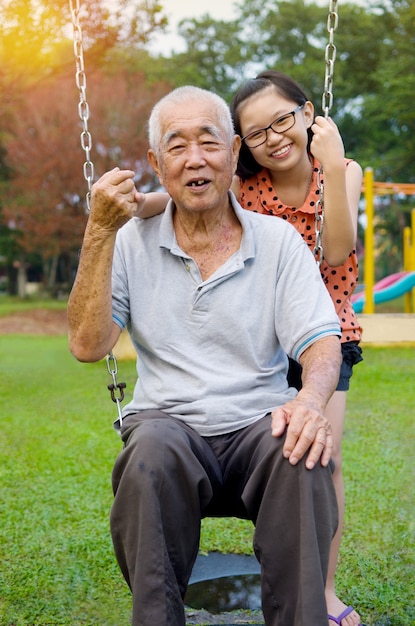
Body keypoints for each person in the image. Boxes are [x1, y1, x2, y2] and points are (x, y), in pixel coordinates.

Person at [68, 85, 343, 626]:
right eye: (176, 146)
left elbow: (320, 340)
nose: (195, 159)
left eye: (209, 142)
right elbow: (86, 345)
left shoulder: (279, 240)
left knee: (302, 451)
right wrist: (100, 230)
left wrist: (310, 399)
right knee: (149, 451)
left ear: (235, 152)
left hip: (257, 426)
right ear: (155, 163)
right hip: (168, 425)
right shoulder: (128, 240)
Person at [229, 70, 363, 626]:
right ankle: (279, 574)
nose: (274, 137)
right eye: (256, 133)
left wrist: (332, 166)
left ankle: (323, 590)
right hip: (259, 340)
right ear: (245, 144)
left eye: (282, 119)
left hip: (327, 338)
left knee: (323, 462)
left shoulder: (342, 170)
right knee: (267, 460)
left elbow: (336, 252)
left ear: (308, 113)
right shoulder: (245, 188)